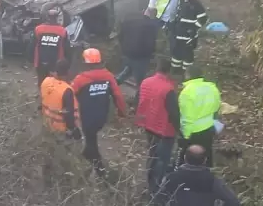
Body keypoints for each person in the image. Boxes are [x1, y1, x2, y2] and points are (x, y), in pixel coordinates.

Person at [71, 48, 126, 176]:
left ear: (85, 62)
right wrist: (122, 112)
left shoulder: (81, 79)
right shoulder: (108, 76)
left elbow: (69, 94)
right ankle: (89, 160)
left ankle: (100, 170)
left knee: (91, 141)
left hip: (86, 116)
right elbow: (118, 95)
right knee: (91, 139)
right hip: (102, 116)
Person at [135, 57, 180, 192]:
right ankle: (156, 188)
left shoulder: (145, 82)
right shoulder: (168, 88)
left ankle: (149, 181)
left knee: (153, 153)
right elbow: (173, 113)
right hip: (164, 129)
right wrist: (179, 129)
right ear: (169, 71)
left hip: (148, 125)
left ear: (157, 68)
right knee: (162, 159)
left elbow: (139, 99)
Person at [39, 58, 79, 184]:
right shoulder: (67, 90)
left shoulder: (45, 82)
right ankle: (63, 181)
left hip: (47, 124)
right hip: (61, 129)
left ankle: (46, 178)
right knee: (64, 155)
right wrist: (73, 129)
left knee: (48, 152)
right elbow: (68, 114)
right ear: (67, 72)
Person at [176, 67, 220, 167]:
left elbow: (187, 117)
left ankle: (186, 178)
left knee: (189, 158)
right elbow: (216, 107)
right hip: (209, 128)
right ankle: (207, 175)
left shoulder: (187, 92)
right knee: (207, 153)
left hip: (193, 132)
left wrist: (185, 135)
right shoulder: (212, 88)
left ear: (188, 76)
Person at [116, 8, 160, 87]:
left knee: (128, 69)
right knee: (140, 77)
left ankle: (114, 83)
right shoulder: (151, 26)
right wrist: (151, 53)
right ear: (153, 16)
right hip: (141, 56)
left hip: (127, 52)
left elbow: (120, 35)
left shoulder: (130, 21)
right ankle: (140, 93)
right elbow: (150, 42)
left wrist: (124, 48)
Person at [170, 0, 208, 74]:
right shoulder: (181, 1)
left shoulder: (196, 4)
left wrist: (194, 28)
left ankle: (187, 73)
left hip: (189, 36)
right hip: (178, 33)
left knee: (188, 55)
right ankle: (175, 71)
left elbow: (203, 18)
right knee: (176, 52)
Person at [32, 5, 68, 86]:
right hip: (56, 64)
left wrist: (31, 60)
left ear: (47, 17)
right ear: (57, 18)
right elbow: (67, 49)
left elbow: (32, 46)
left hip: (40, 62)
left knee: (41, 82)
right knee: (55, 83)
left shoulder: (38, 29)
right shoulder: (62, 31)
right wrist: (66, 63)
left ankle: (43, 97)